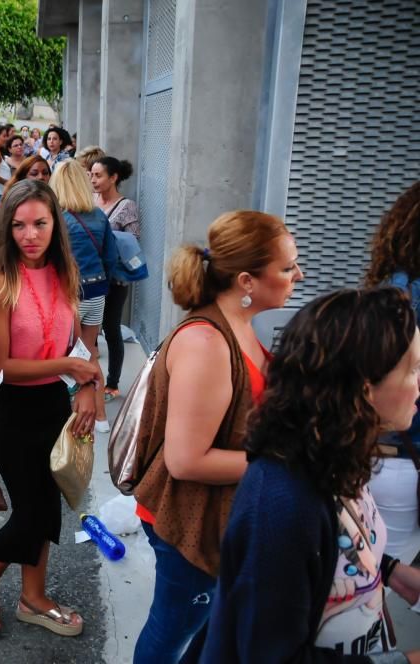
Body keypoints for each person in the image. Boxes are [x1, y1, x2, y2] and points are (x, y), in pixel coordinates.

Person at [192, 287, 420, 663]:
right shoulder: (282, 506)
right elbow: (267, 656)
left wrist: (391, 571)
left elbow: (337, 551)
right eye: (411, 370)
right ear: (364, 392)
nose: (418, 383)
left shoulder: (336, 456)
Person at [132, 210, 303, 662]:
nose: (298, 276)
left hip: (214, 516)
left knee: (203, 629)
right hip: (188, 520)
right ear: (247, 280)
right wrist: (287, 460)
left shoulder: (237, 326)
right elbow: (185, 460)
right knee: (171, 631)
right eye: (287, 268)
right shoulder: (207, 342)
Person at [0, 179, 99, 639]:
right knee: (29, 511)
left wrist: (86, 387)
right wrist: (68, 365)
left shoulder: (66, 272)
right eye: (19, 225)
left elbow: (82, 342)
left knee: (48, 508)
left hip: (52, 403)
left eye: (40, 223)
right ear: (6, 228)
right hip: (12, 407)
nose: (30, 234)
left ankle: (33, 597)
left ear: (53, 224)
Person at [364, 180, 420, 565]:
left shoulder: (389, 288)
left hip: (384, 452)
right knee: (385, 579)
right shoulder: (407, 297)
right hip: (403, 455)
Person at [51, 161, 118, 433]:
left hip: (70, 296)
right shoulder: (99, 216)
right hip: (97, 293)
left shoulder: (57, 220)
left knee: (68, 356)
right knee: (89, 354)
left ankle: (75, 415)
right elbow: (110, 258)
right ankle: (100, 416)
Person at [91, 156, 140, 401]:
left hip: (115, 280)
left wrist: (107, 239)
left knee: (111, 328)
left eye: (98, 175)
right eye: (91, 175)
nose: (93, 180)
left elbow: (133, 241)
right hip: (90, 277)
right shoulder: (90, 201)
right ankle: (88, 382)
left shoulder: (126, 205)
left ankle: (112, 383)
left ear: (114, 178)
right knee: (88, 330)